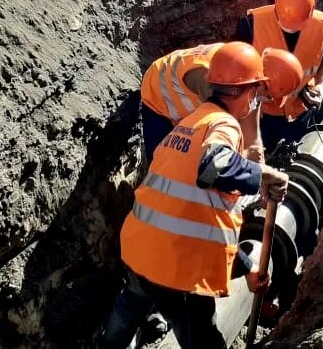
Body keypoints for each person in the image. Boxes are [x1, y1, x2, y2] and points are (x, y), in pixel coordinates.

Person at [96, 42, 291, 349]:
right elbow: (214, 167)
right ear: (247, 92)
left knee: (132, 301)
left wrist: (246, 269)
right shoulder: (224, 125)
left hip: (140, 247)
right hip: (175, 269)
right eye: (256, 94)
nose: (256, 102)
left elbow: (197, 219)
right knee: (203, 340)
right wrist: (264, 175)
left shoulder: (187, 124)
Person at [140, 42, 304, 162]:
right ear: (262, 82)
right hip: (159, 99)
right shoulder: (211, 80)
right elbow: (207, 138)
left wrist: (259, 167)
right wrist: (241, 161)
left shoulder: (249, 77)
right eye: (269, 95)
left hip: (189, 106)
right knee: (164, 160)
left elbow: (252, 140)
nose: (268, 100)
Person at [235, 0, 323, 149]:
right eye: (286, 24)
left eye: (296, 25)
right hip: (263, 116)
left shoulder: (320, 26)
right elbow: (235, 73)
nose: (290, 29)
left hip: (299, 112)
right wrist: (251, 100)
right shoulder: (252, 25)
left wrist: (321, 85)